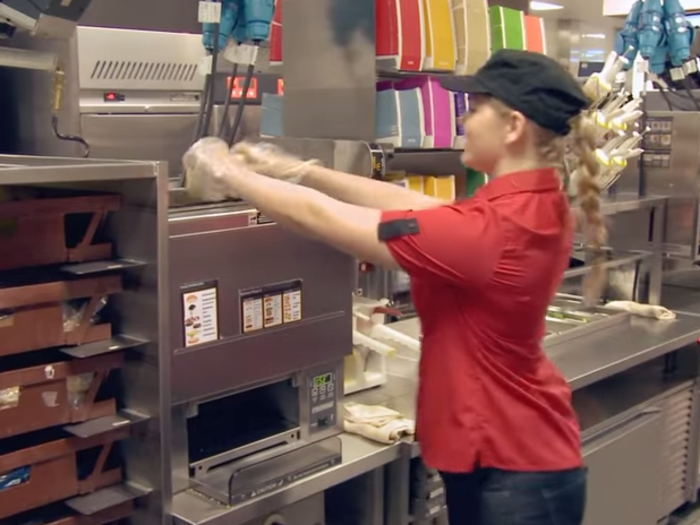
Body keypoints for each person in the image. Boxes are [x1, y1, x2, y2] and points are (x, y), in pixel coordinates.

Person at [183, 49, 605, 525]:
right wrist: (299, 171)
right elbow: (414, 205)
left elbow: (328, 218)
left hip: (512, 473)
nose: (463, 118)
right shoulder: (530, 204)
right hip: (521, 456)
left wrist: (229, 172)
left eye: (475, 106)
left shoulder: (491, 232)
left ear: (513, 126)